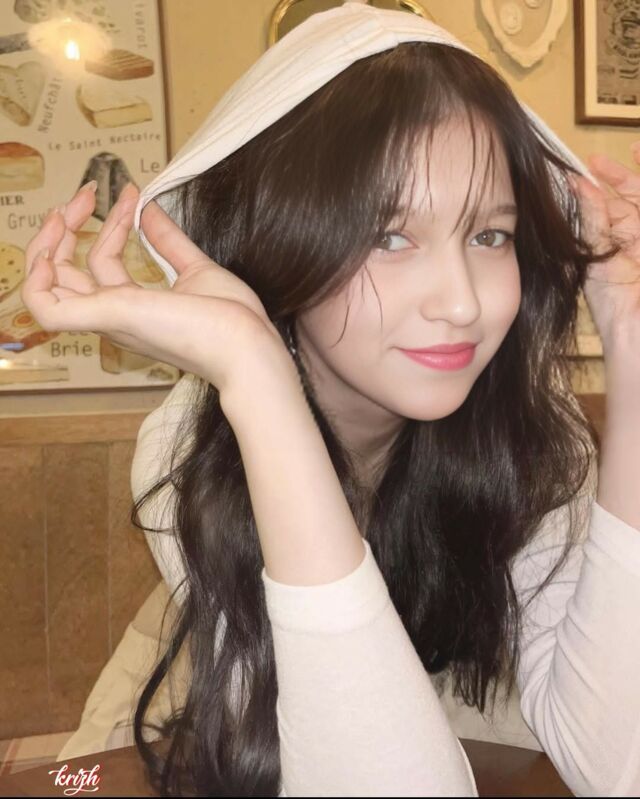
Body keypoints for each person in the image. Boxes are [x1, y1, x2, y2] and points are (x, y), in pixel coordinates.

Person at [23, 2, 640, 796]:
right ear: (282, 242)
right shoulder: (189, 445)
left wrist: (631, 341)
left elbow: (617, 764)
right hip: (218, 684)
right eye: (390, 236)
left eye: (489, 234)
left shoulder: (527, 427)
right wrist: (259, 381)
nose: (461, 302)